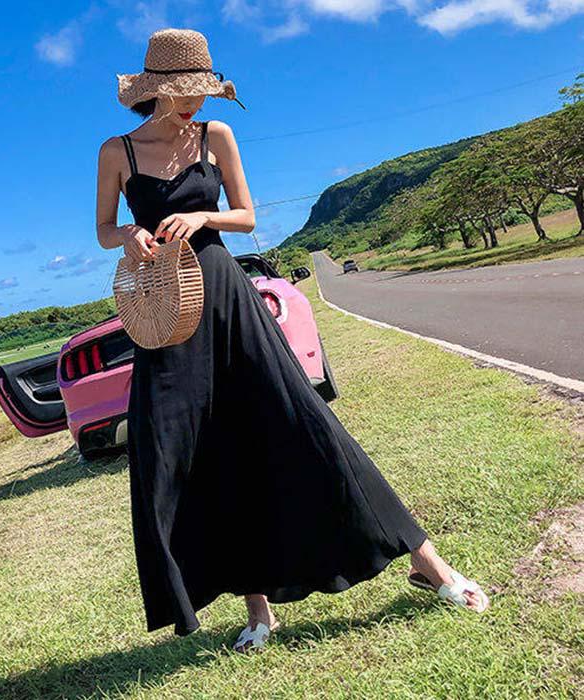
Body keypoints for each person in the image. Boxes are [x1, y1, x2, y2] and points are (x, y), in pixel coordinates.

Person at [96, 28, 489, 653]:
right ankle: (258, 612)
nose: (197, 102)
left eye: (203, 91)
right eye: (187, 92)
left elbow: (247, 216)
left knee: (303, 420)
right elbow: (103, 229)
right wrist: (130, 236)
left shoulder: (215, 136)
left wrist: (202, 215)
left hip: (226, 297)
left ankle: (428, 562)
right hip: (166, 312)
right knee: (196, 449)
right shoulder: (116, 151)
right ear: (158, 90)